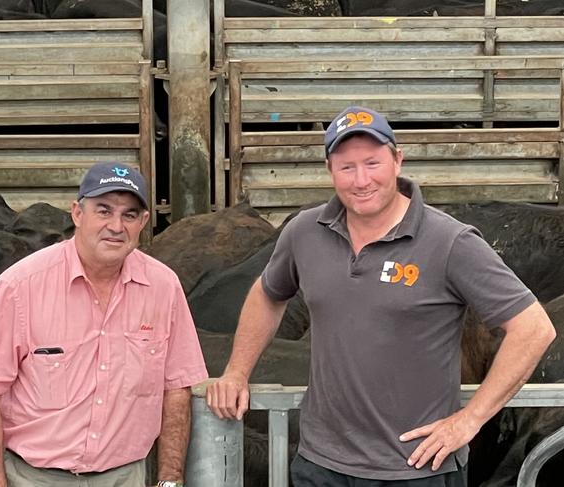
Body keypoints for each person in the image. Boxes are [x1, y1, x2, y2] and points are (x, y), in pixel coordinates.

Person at [206, 106, 556, 486]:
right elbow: (267, 294)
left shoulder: (450, 241)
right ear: (330, 170)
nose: (361, 180)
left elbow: (534, 328)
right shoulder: (305, 231)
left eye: (372, 163)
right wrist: (237, 372)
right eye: (347, 166)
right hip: (321, 464)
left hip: (417, 468)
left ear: (397, 160)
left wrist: (470, 419)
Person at [0, 162, 208, 487]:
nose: (116, 226)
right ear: (77, 213)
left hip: (126, 476)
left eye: (129, 215)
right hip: (34, 478)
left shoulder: (164, 287)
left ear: (144, 222)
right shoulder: (19, 287)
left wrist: (170, 480)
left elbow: (177, 388)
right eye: (103, 211)